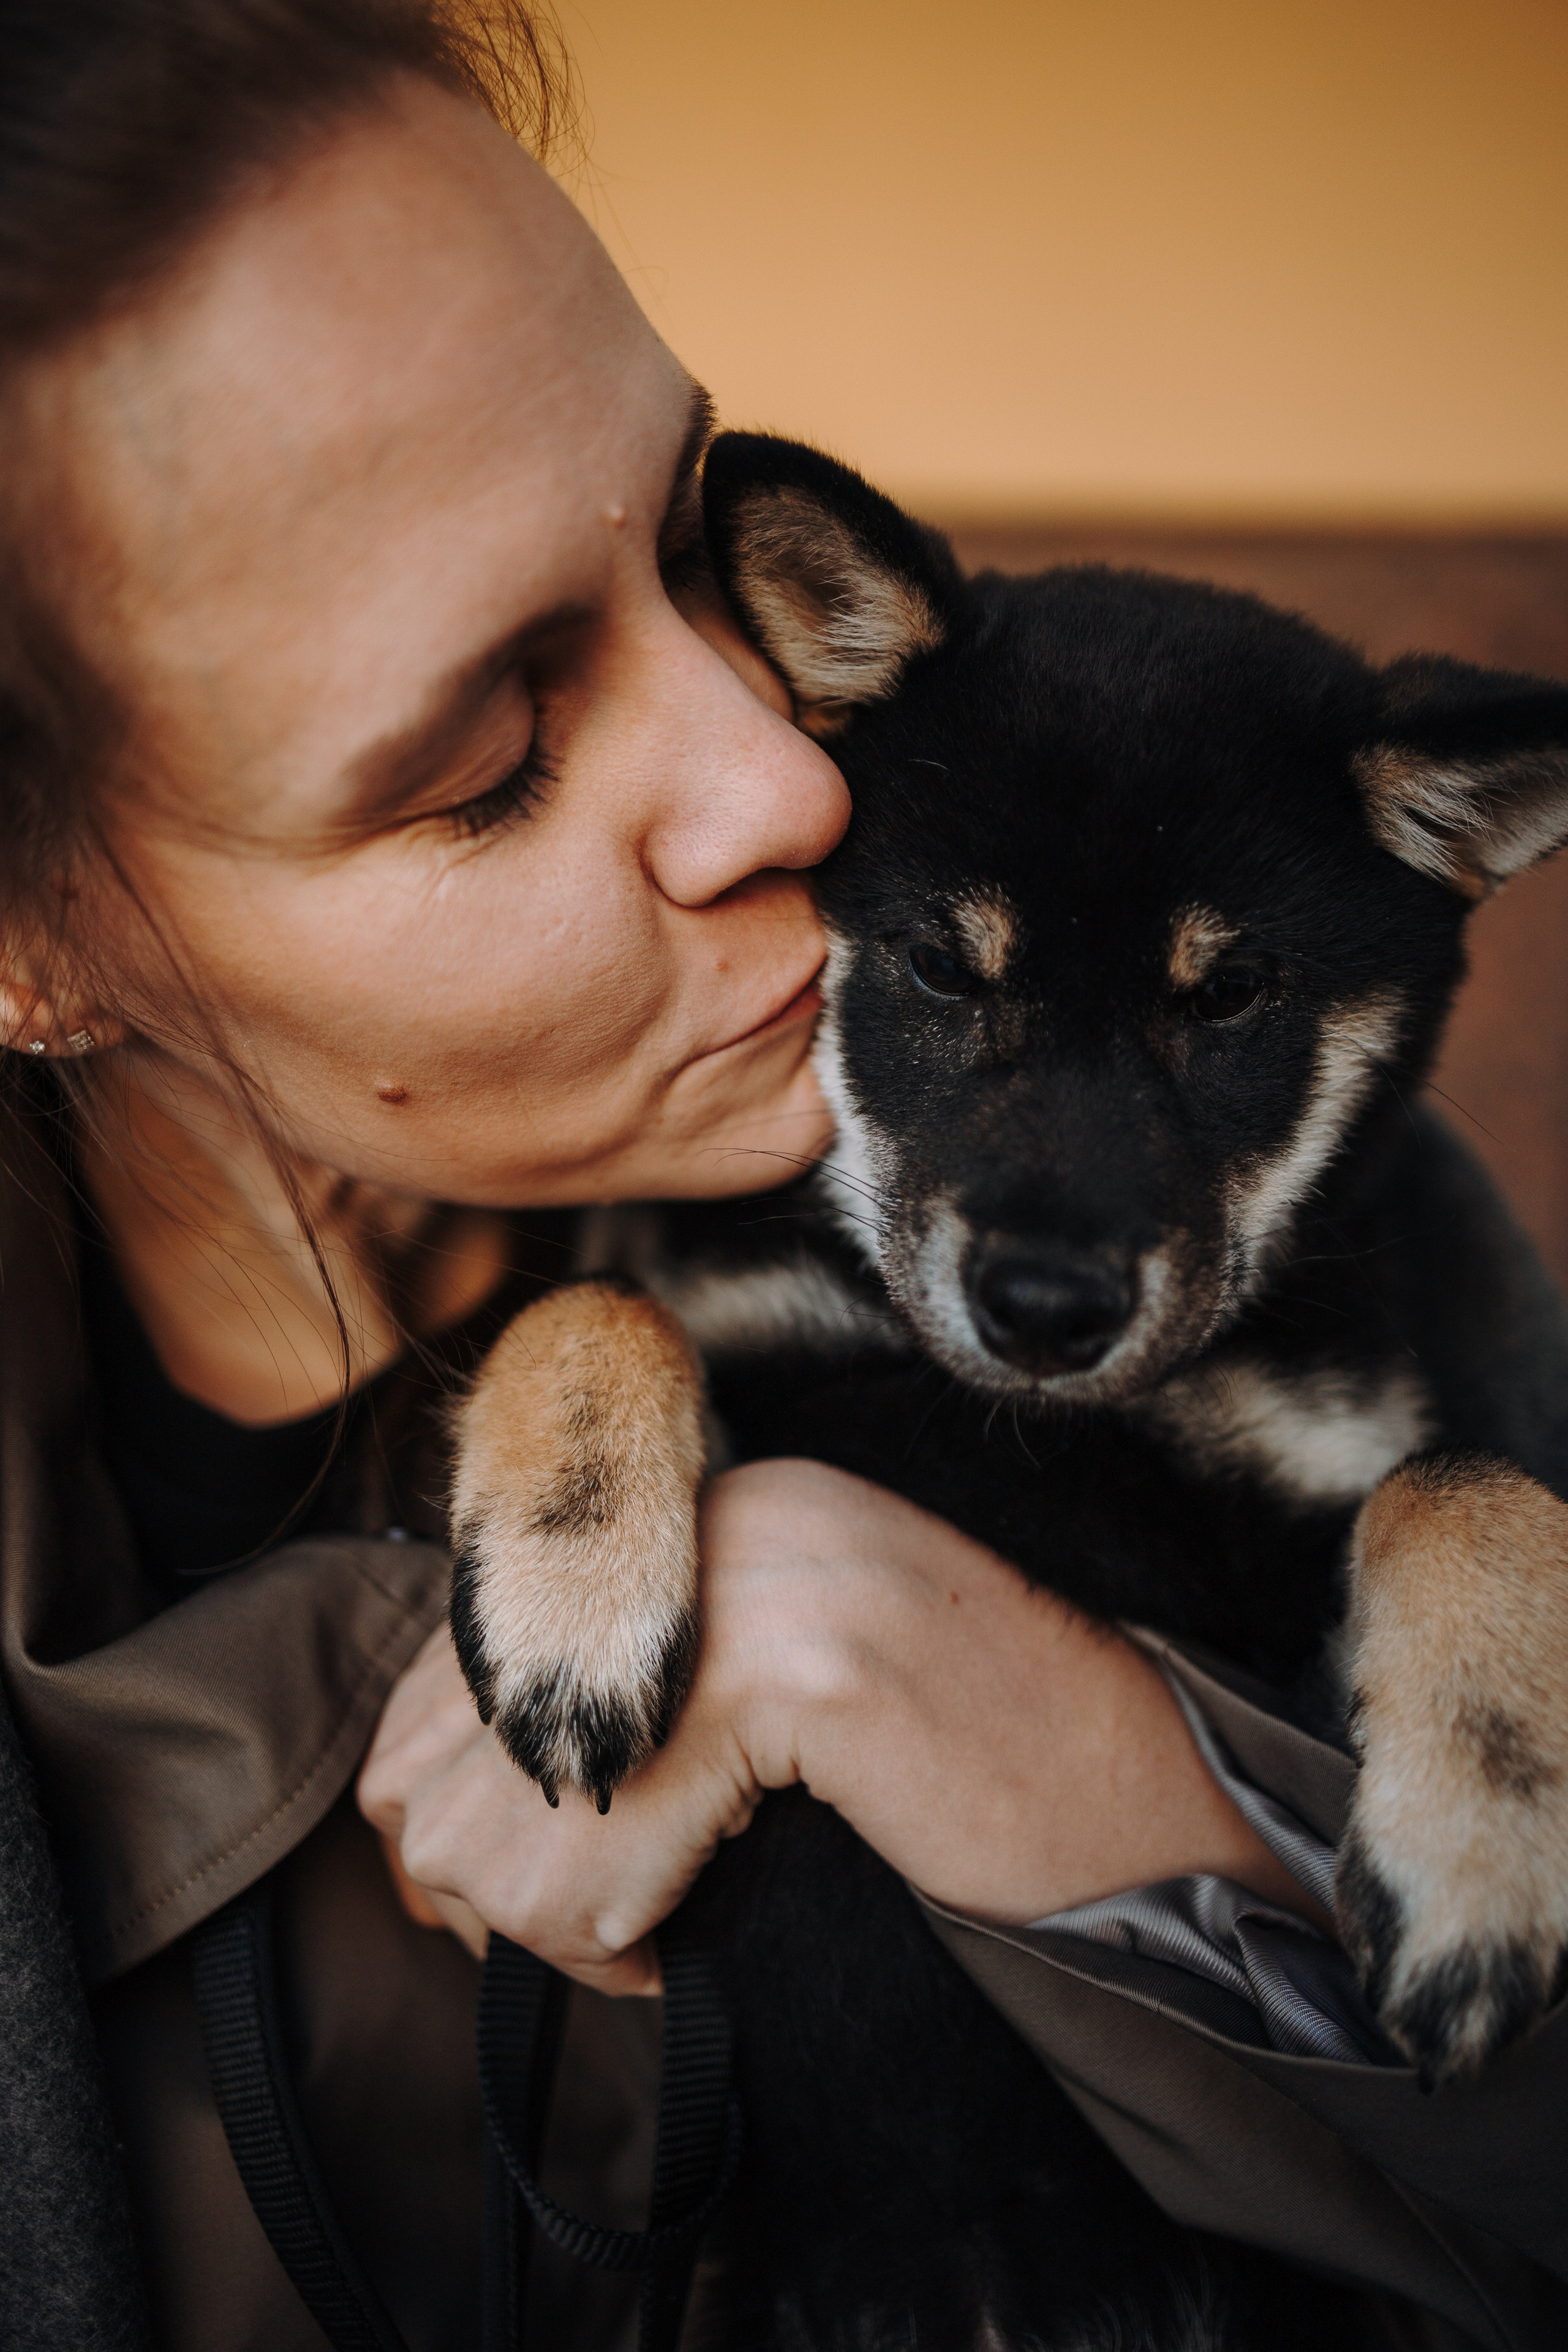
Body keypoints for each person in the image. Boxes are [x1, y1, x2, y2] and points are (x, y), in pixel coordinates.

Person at [0, 5, 1561, 2348]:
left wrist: (966, 1694)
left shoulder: (1335, 1236)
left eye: (694, 550)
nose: (785, 780)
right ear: (38, 937)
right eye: (499, 753)